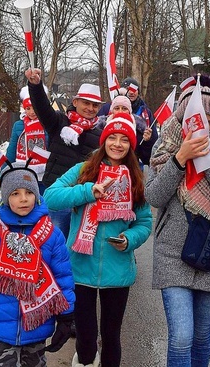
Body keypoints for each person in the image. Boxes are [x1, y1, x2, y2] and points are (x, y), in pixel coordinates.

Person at [144, 75, 210, 367]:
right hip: (172, 254)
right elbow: (155, 196)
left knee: (201, 337)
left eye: (208, 120)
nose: (202, 125)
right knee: (182, 336)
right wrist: (180, 159)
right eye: (195, 118)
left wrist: (207, 158)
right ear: (182, 119)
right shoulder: (165, 146)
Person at [44, 113, 153, 367]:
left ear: (130, 145)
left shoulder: (135, 178)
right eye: (112, 137)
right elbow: (50, 196)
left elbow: (144, 223)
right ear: (103, 141)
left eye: (124, 139)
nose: (117, 144)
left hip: (118, 271)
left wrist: (129, 239)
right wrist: (87, 192)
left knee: (112, 337)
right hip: (81, 269)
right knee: (86, 337)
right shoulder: (84, 170)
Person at [0, 165, 76, 367]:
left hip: (37, 322)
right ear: (5, 197)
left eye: (29, 192)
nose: (23, 198)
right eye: (15, 193)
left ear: (37, 196)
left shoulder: (51, 234)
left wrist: (66, 318)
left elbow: (63, 277)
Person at [24, 68, 104, 239]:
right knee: (55, 242)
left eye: (95, 105)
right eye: (86, 103)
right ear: (75, 102)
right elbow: (42, 108)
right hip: (57, 194)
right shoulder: (60, 122)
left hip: (84, 197)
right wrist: (35, 86)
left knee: (78, 244)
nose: (90, 108)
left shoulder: (101, 133)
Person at [0, 86, 49, 190]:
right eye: (28, 108)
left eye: (34, 107)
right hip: (23, 172)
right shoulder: (19, 125)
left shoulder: (48, 124)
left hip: (45, 174)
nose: (32, 112)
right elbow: (12, 150)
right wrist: (2, 173)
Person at [99, 77, 157, 166]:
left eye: (135, 89)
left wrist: (147, 141)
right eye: (128, 89)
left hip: (133, 162)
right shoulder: (106, 110)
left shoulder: (145, 113)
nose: (131, 92)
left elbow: (152, 145)